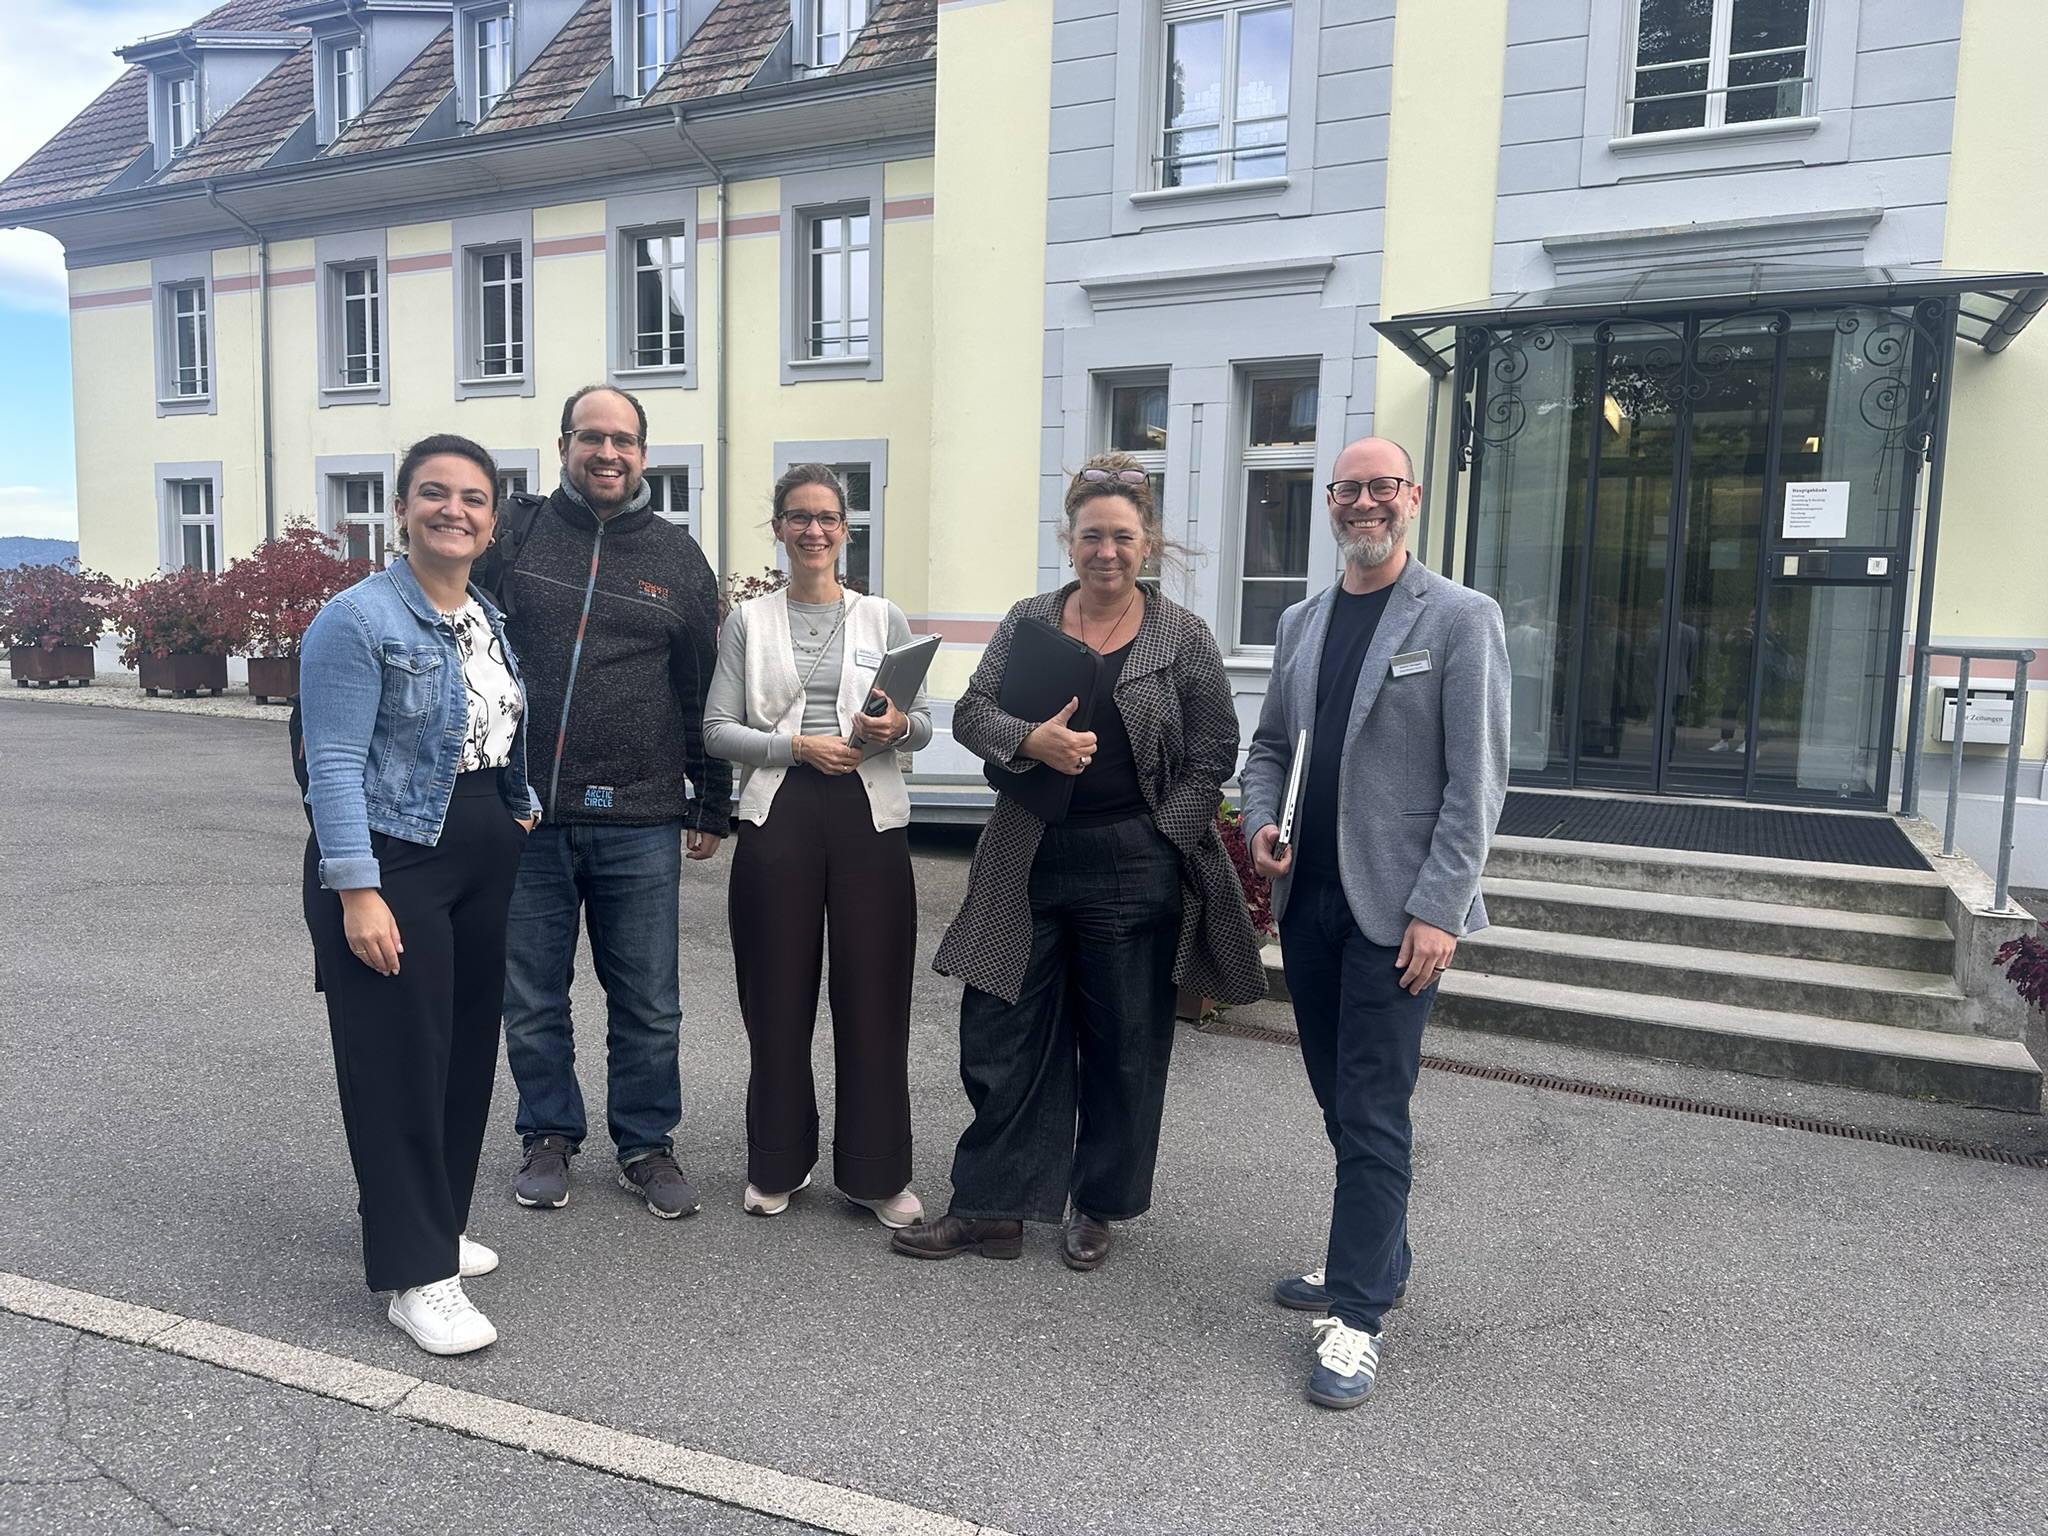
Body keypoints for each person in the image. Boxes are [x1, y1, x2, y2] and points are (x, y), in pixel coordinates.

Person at [894, 454, 1267, 1270]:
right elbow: (972, 712)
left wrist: (1165, 836)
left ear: (1148, 543)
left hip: (1134, 860)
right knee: (999, 1031)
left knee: (1122, 1042)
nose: (1107, 551)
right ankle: (993, 1208)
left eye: (1122, 537)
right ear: (1069, 540)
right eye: (1092, 535)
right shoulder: (1031, 620)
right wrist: (1030, 740)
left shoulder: (1183, 637)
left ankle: (1098, 1203)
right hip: (1026, 852)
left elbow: (1214, 751)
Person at [1241, 436, 1508, 1410]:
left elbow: (1476, 783)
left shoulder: (1460, 618)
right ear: (1329, 503)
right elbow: (1270, 747)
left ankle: (1356, 1314)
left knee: (1371, 1108)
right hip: (1309, 901)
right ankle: (1374, 1255)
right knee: (1335, 1097)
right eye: (1347, 489)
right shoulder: (1302, 621)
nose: (1364, 503)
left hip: (1399, 916)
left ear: (1412, 497)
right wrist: (1260, 824)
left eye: (1380, 487)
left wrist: (1440, 908)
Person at [299, 434, 538, 1355]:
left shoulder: (485, 615)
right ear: (400, 509)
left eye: (473, 498)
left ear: (492, 522)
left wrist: (519, 805)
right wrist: (357, 890)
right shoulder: (354, 620)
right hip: (394, 860)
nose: (454, 510)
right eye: (434, 493)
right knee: (400, 1063)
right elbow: (331, 765)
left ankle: (435, 1225)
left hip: (482, 851)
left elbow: (497, 728)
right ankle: (415, 1276)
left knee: (463, 1053)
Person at [479, 385, 734, 1220]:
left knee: (649, 1002)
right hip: (526, 814)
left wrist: (711, 802)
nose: (608, 453)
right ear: (564, 445)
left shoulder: (677, 557)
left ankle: (646, 1143)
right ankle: (549, 1133)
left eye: (623, 440)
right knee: (532, 997)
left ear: (643, 454)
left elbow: (702, 689)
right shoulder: (514, 537)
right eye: (592, 437)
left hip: (640, 817)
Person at [703, 465, 931, 1227]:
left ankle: (876, 1173)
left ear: (846, 528)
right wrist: (794, 747)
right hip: (781, 812)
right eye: (799, 517)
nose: (814, 530)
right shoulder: (749, 621)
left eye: (828, 517)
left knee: (874, 997)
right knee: (775, 996)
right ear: (778, 528)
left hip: (870, 816)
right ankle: (777, 1159)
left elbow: (922, 724)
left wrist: (896, 727)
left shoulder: (882, 616)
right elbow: (716, 730)